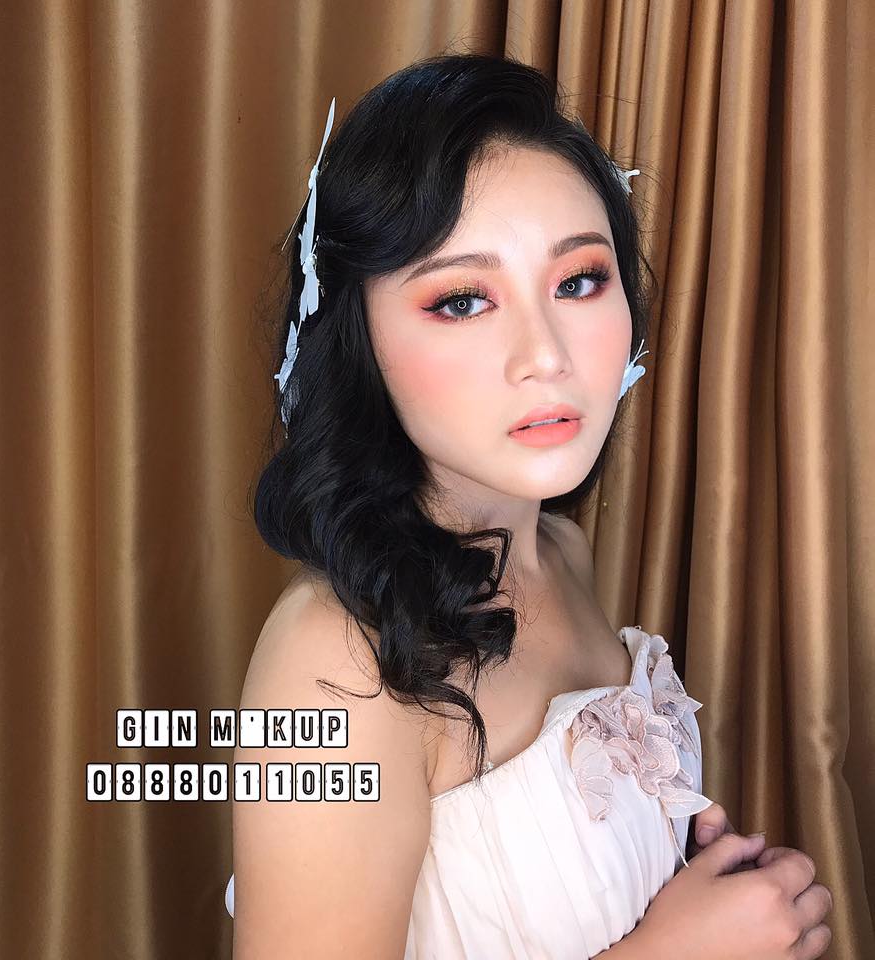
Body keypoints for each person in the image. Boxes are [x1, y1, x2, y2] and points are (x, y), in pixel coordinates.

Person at [227, 53, 833, 960]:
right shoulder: (336, 663)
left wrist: (701, 889)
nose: (545, 354)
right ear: (357, 343)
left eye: (579, 281)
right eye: (462, 300)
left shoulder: (558, 553)